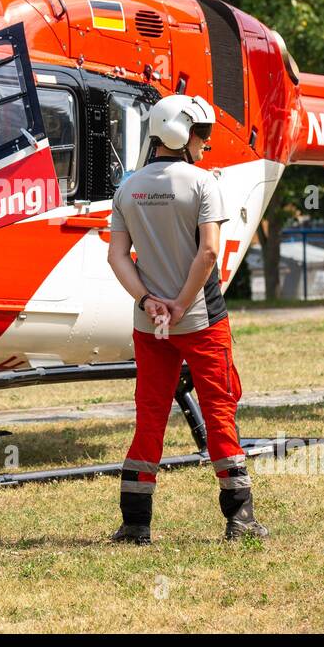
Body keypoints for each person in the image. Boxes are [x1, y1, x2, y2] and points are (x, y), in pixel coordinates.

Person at [105, 94, 267, 544]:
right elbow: (210, 251)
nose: (206, 145)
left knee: (150, 417)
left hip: (149, 324)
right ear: (183, 133)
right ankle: (240, 519)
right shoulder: (201, 184)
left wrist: (148, 302)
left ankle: (136, 523)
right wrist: (181, 302)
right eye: (204, 134)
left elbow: (117, 256)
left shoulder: (128, 188)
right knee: (219, 410)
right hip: (201, 319)